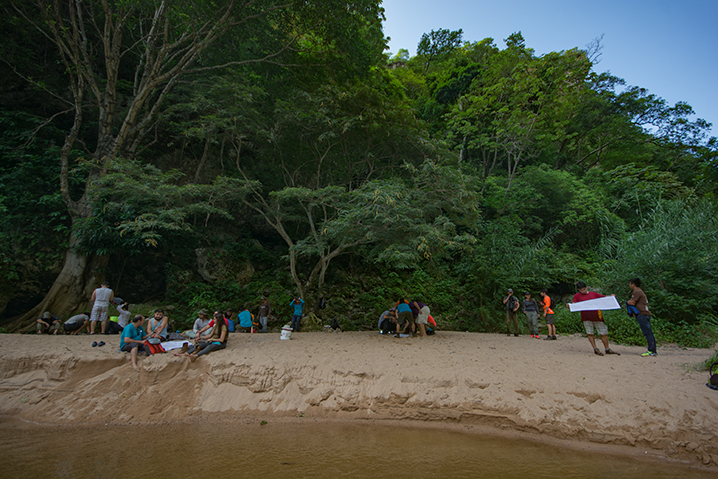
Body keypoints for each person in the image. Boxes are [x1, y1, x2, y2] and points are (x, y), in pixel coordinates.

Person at [568, 281, 620, 356]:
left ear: (586, 287)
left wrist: (611, 297)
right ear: (579, 290)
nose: (583, 291)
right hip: (586, 317)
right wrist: (569, 306)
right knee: (590, 332)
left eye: (584, 289)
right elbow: (574, 304)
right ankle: (595, 348)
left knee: (603, 332)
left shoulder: (593, 294)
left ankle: (607, 348)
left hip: (597, 316)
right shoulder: (577, 296)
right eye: (581, 290)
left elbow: (604, 298)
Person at [628, 278, 657, 357]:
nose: (629, 285)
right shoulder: (640, 291)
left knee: (647, 332)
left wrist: (627, 303)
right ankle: (652, 349)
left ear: (633, 284)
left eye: (630, 283)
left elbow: (632, 302)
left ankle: (651, 350)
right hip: (644, 313)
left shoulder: (636, 291)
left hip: (642, 314)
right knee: (648, 332)